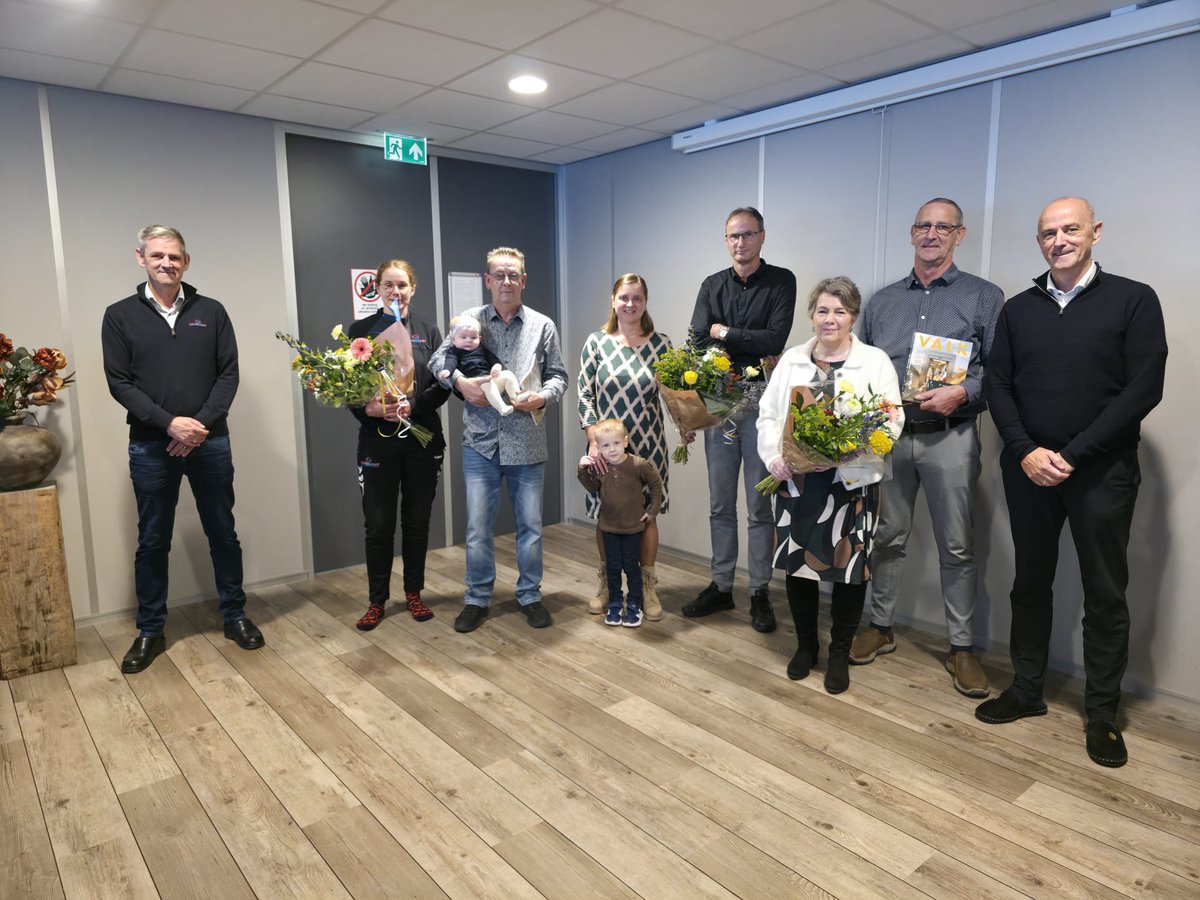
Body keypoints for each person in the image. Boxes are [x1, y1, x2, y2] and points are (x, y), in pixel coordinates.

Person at [976, 197, 1167, 768]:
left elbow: (1143, 389)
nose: (1058, 240)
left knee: (1105, 593)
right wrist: (1026, 450)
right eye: (1048, 233)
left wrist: (1073, 454)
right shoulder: (1018, 309)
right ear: (1039, 241)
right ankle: (1027, 691)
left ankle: (1102, 714)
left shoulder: (1134, 300)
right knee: (1029, 583)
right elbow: (999, 385)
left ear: (1095, 233)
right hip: (1028, 469)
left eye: (1070, 229)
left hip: (1101, 473)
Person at [851, 198, 1005, 699]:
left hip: (952, 437)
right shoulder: (881, 301)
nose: (932, 234)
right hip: (889, 438)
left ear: (960, 235)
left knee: (957, 545)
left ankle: (962, 647)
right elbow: (862, 367)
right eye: (924, 225)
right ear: (911, 233)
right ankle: (880, 626)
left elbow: (999, 369)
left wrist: (964, 392)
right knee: (887, 536)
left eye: (943, 227)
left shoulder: (984, 296)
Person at [101, 224, 263, 674]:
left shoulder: (211, 311)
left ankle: (235, 615)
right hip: (151, 446)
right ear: (141, 258)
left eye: (174, 257)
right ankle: (151, 629)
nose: (166, 263)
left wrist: (199, 426)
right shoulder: (119, 315)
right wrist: (169, 423)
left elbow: (227, 374)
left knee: (223, 533)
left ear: (186, 261)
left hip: (211, 443)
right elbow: (119, 382)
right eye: (157, 256)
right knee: (153, 541)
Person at [757, 277, 903, 694]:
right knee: (799, 569)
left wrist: (851, 451)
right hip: (798, 483)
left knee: (849, 573)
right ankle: (806, 647)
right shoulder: (791, 361)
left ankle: (839, 653)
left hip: (851, 485)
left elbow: (891, 418)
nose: (830, 319)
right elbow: (770, 415)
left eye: (840, 311)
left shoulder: (874, 361)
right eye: (823, 310)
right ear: (811, 314)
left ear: (853, 316)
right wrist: (773, 457)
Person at [429, 246, 568, 633]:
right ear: (487, 281)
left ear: (523, 280)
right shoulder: (469, 320)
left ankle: (530, 595)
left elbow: (559, 375)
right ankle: (476, 598)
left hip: (527, 441)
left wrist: (543, 396)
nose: (506, 282)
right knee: (476, 528)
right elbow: (437, 361)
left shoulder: (543, 325)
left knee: (530, 527)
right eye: (498, 275)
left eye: (513, 275)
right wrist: (459, 383)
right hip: (480, 442)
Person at [683, 207, 796, 632]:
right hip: (719, 400)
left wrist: (724, 332)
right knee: (719, 504)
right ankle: (721, 585)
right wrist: (728, 341)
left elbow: (775, 338)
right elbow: (696, 338)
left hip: (763, 401)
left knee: (758, 505)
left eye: (748, 235)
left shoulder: (781, 280)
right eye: (733, 236)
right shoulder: (712, 284)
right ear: (725, 239)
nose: (740, 243)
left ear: (762, 237)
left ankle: (760, 592)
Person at [348, 259, 450, 631]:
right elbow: (348, 387)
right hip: (378, 442)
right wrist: (370, 410)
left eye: (402, 285)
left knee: (417, 521)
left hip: (422, 439)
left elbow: (443, 384)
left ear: (413, 288)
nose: (396, 291)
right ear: (377, 288)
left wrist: (414, 405)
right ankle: (377, 601)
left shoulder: (429, 331)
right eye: (388, 284)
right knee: (378, 524)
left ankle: (413, 593)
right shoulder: (361, 330)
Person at [577, 273, 673, 621]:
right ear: (613, 301)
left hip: (648, 445)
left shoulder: (662, 344)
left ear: (645, 302)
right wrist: (592, 439)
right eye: (624, 298)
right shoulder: (596, 342)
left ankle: (646, 588)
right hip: (605, 447)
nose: (630, 304)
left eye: (637, 298)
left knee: (646, 515)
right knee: (607, 514)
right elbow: (584, 392)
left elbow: (674, 396)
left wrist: (688, 423)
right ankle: (608, 586)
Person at [576, 419, 663, 628]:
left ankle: (634, 604)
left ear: (625, 441)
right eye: (605, 445)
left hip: (634, 528)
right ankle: (615, 602)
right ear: (599, 447)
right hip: (609, 528)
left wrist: (652, 511)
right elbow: (592, 487)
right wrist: (582, 470)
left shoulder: (639, 464)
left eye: (616, 443)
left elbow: (656, 485)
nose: (611, 449)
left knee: (632, 567)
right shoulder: (601, 468)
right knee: (613, 567)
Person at [438, 314, 522, 415]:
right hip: (476, 386)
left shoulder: (481, 349)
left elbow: (493, 358)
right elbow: (450, 361)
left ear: (480, 338)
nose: (468, 340)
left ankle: (518, 398)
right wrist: (447, 370)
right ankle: (502, 408)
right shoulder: (454, 352)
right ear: (453, 340)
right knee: (487, 384)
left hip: (490, 379)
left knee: (508, 374)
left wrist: (497, 366)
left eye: (473, 337)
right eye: (463, 337)